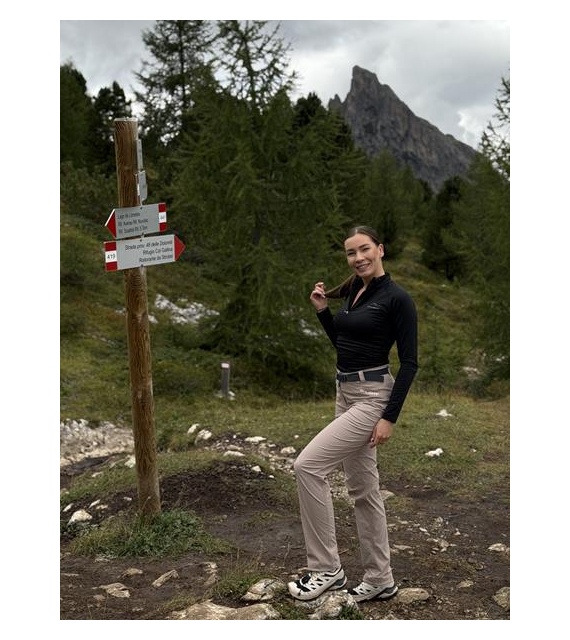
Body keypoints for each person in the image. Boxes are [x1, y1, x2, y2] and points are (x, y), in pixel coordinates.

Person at [287, 225, 418, 603]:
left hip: (372, 398)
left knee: (307, 467)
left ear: (380, 250)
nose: (358, 258)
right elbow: (345, 345)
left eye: (364, 250)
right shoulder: (355, 292)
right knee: (363, 489)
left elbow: (409, 363)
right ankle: (380, 578)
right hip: (345, 392)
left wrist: (389, 417)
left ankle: (326, 569)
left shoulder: (397, 299)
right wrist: (323, 312)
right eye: (351, 252)